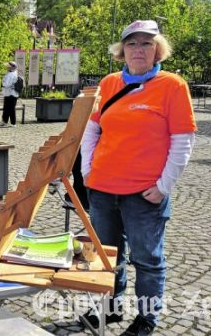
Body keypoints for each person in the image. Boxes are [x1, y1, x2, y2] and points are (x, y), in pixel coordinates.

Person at [79, 20, 196, 335]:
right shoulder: (109, 83)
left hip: (145, 193)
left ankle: (146, 318)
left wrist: (163, 186)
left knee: (147, 259)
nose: (139, 49)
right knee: (108, 254)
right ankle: (111, 308)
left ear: (158, 49)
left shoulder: (173, 86)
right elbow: (91, 130)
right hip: (103, 189)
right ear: (122, 50)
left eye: (146, 43)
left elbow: (183, 140)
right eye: (132, 43)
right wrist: (87, 171)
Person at [0, 61, 19, 127]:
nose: (7, 67)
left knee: (11, 109)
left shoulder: (12, 74)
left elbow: (6, 84)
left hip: (11, 94)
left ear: (11, 68)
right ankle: (4, 121)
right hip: (9, 93)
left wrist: (3, 84)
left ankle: (13, 123)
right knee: (6, 108)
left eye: (8, 66)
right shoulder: (12, 73)